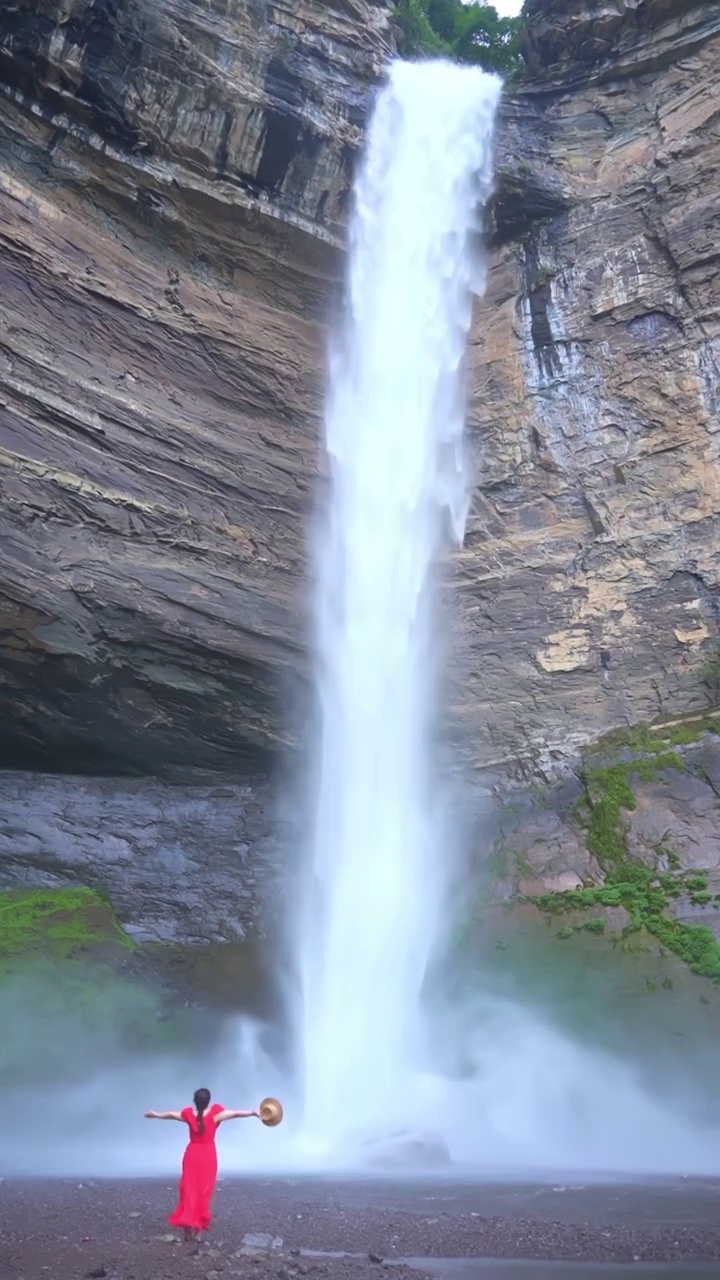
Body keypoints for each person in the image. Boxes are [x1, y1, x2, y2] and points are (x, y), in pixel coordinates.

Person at [144, 1087, 260, 1243]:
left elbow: (172, 1114)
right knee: (203, 1192)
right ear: (208, 1101)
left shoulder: (189, 1115)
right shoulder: (215, 1115)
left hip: (192, 1154)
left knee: (188, 1190)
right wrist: (254, 1113)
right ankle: (198, 1234)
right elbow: (236, 1113)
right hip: (207, 1156)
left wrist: (156, 1115)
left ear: (194, 1101)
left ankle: (187, 1232)